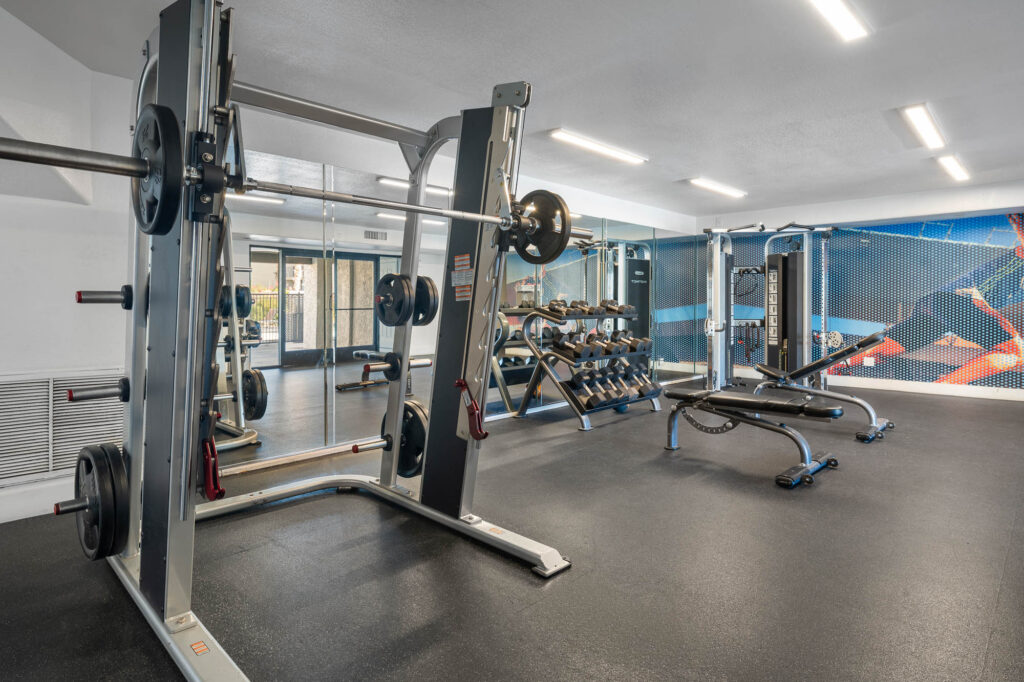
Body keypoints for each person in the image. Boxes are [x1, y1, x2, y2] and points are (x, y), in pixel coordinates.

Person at [836, 213, 1024, 384]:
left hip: (938, 302)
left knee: (885, 350)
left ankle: (830, 369)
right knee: (1014, 352)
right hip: (964, 299)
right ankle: (944, 386)